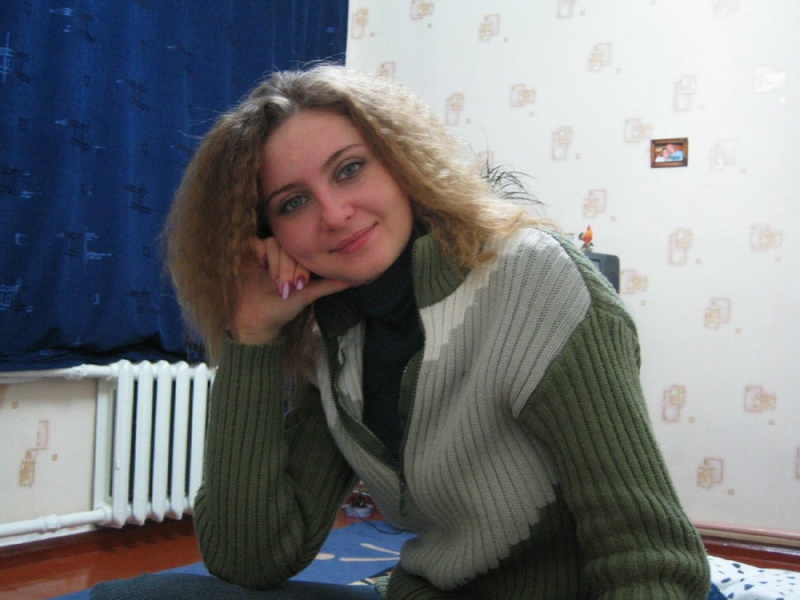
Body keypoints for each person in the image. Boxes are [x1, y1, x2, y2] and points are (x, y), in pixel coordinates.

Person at [91, 64, 712, 599]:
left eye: (349, 169)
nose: (335, 214)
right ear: (267, 235)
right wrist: (250, 336)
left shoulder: (531, 277)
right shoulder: (333, 336)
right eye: (292, 203)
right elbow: (249, 558)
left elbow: (650, 558)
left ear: (401, 161)